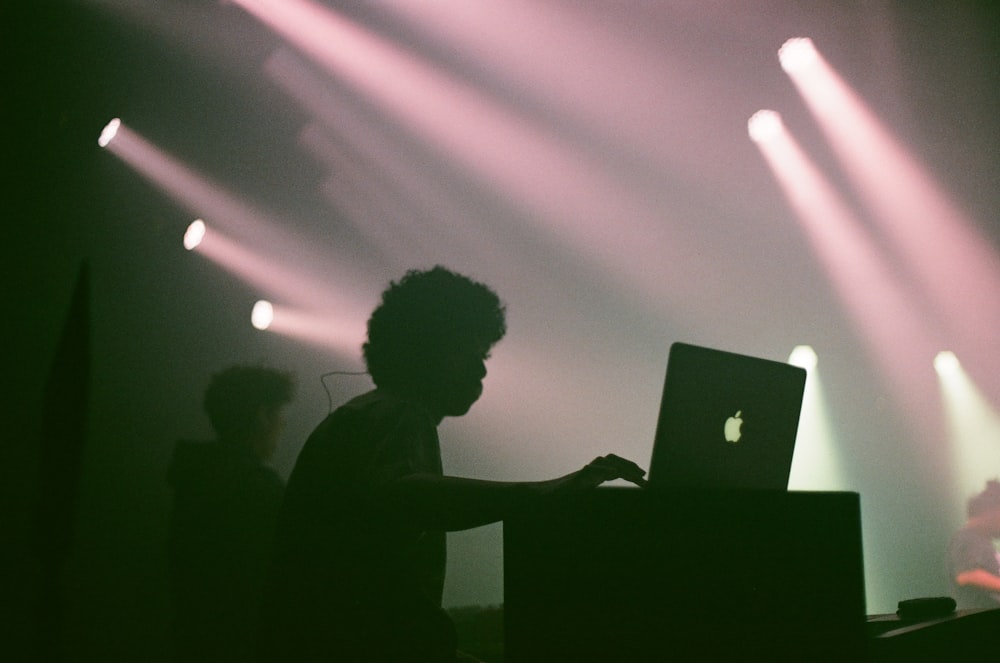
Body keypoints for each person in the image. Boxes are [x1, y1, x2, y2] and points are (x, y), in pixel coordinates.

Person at [259, 266, 646, 662]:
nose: (481, 369)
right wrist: (540, 492)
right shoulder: (397, 414)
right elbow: (407, 495)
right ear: (423, 344)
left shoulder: (367, 415)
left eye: (484, 356)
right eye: (469, 351)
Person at [167, 365, 295, 662]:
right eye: (279, 414)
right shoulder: (259, 489)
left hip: (191, 639)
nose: (283, 425)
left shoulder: (194, 476)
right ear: (262, 415)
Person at [946, 479, 1000, 609]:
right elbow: (968, 575)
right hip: (980, 623)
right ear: (990, 511)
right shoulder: (967, 538)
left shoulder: (980, 540)